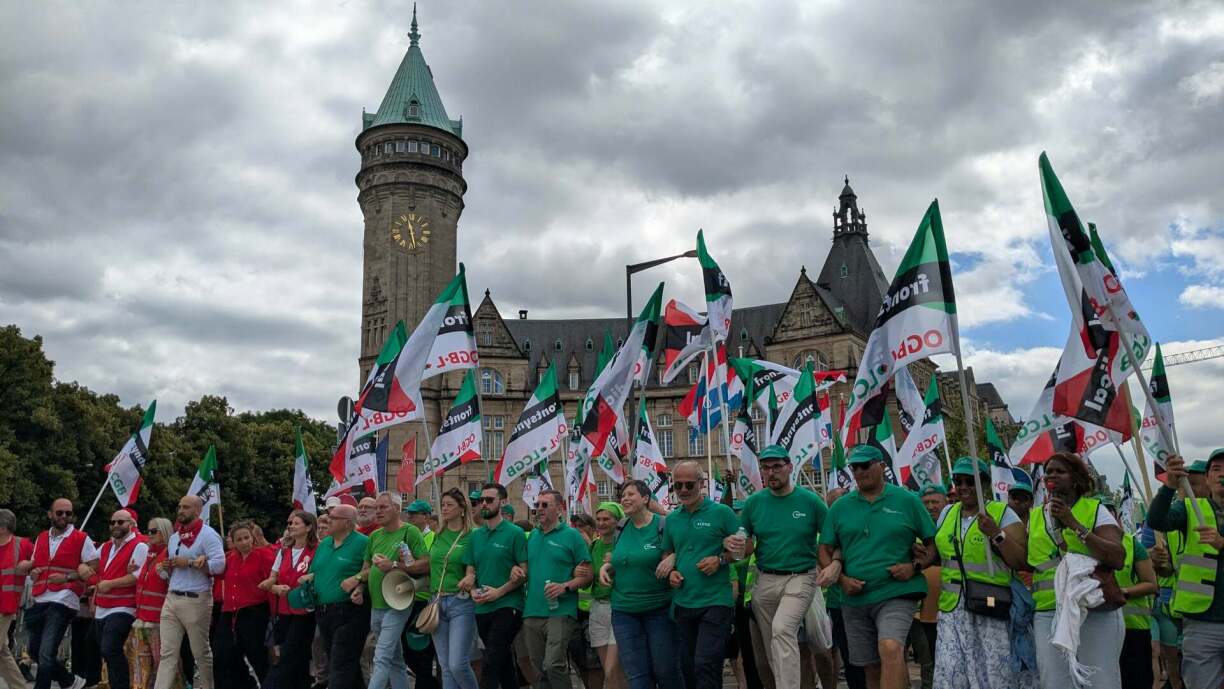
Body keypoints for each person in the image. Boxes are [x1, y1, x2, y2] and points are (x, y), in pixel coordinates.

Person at [817, 446, 936, 689]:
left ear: (882, 466)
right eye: (855, 467)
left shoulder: (907, 500)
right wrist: (842, 581)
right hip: (855, 599)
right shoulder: (841, 507)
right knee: (871, 666)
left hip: (897, 592)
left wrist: (914, 566)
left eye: (866, 465)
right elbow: (824, 550)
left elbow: (932, 546)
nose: (859, 471)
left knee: (890, 647)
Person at [930, 457, 1034, 689]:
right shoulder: (947, 513)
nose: (964, 486)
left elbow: (1022, 561)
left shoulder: (1002, 513)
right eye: (959, 481)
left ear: (985, 483)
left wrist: (996, 534)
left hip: (990, 608)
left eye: (970, 481)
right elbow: (939, 555)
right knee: (950, 677)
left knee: (992, 676)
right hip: (951, 611)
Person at [737, 445, 835, 689]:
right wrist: (734, 544)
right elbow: (745, 546)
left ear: (790, 467)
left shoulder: (810, 501)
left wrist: (835, 564)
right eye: (766, 468)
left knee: (809, 643)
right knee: (775, 647)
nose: (771, 472)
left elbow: (834, 537)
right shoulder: (753, 504)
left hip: (802, 577)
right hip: (766, 580)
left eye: (777, 467)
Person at [1026, 451, 1125, 689]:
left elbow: (1117, 557)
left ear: (1076, 479)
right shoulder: (1035, 517)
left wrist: (1073, 524)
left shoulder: (1095, 510)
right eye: (1048, 471)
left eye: (1060, 471)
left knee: (1100, 682)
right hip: (1049, 611)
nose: (1052, 475)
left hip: (1092, 610)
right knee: (1054, 683)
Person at [658, 460, 740, 689]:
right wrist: (671, 572)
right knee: (687, 665)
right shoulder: (673, 518)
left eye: (689, 485)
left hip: (715, 600)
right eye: (678, 486)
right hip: (684, 601)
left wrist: (721, 559)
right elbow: (668, 552)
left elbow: (746, 548)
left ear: (702, 484)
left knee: (706, 662)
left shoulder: (722, 513)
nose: (683, 490)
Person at [1148, 451, 1224, 689]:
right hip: (1203, 622)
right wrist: (1169, 487)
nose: (1222, 475)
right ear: (1208, 478)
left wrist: (1222, 544)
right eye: (1216, 469)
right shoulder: (1192, 509)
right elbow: (1158, 520)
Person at [600, 479, 682, 689]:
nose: (624, 499)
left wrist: (673, 558)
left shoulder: (664, 524)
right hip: (623, 611)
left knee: (665, 671)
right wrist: (607, 567)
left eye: (630, 494)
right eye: (623, 495)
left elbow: (687, 547)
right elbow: (622, 558)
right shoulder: (621, 526)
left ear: (645, 499)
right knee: (636, 675)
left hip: (659, 610)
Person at [22, 497, 100, 689]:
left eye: (68, 513)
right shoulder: (41, 537)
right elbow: (35, 564)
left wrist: (67, 578)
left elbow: (94, 568)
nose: (64, 516)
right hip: (40, 597)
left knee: (46, 652)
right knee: (34, 650)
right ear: (50, 514)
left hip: (64, 600)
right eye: (60, 512)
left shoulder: (82, 538)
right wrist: (33, 571)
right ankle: (70, 681)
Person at [357, 491, 429, 689]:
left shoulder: (410, 531)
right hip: (377, 605)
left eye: (382, 507)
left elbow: (425, 564)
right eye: (376, 508)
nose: (377, 512)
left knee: (381, 656)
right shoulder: (373, 536)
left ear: (397, 509)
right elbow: (366, 569)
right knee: (395, 659)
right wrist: (359, 584)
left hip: (399, 602)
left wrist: (395, 565)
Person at [152, 495, 225, 689]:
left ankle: (208, 686)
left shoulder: (209, 535)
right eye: (179, 506)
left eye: (186, 507)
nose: (180, 510)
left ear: (198, 511)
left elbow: (219, 565)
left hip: (196, 599)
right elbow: (170, 573)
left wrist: (190, 563)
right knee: (167, 653)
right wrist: (165, 568)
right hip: (172, 597)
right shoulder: (175, 537)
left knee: (200, 652)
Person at [522, 489, 593, 689]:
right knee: (539, 671)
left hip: (560, 611)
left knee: (553, 663)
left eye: (545, 505)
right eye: (537, 505)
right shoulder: (532, 536)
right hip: (532, 611)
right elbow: (525, 568)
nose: (539, 509)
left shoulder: (572, 536)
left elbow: (588, 576)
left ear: (560, 509)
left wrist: (565, 586)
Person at [461, 482, 528, 689]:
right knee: (503, 661)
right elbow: (470, 571)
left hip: (508, 605)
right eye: (481, 500)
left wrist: (499, 592)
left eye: (489, 500)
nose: (484, 504)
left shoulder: (515, 533)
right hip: (482, 606)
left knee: (490, 662)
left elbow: (524, 572)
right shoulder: (475, 536)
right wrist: (472, 590)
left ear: (503, 501)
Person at [299, 502, 370, 689]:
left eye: (333, 517)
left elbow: (371, 568)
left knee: (340, 660)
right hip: (323, 610)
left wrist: (357, 580)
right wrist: (307, 578)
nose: (328, 520)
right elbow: (316, 571)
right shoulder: (324, 545)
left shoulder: (363, 542)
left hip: (348, 611)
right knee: (339, 659)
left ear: (347, 522)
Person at [1101, 496, 1157, 689]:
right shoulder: (1081, 544)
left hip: (1133, 629)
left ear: (1117, 516)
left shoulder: (1133, 545)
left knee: (1136, 681)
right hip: (1098, 628)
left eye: (1109, 512)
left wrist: (1122, 592)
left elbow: (1151, 584)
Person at [91, 508, 149, 689]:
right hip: (102, 606)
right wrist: (84, 570)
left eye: (121, 522)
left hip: (124, 606)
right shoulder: (106, 546)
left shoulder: (139, 545)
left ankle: (122, 686)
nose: (116, 525)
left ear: (131, 525)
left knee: (110, 648)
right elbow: (93, 568)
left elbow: (137, 576)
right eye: (113, 522)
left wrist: (110, 584)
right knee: (102, 650)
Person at [213, 520, 274, 689]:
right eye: (239, 539)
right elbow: (215, 570)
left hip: (254, 611)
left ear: (252, 538)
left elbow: (273, 581)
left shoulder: (264, 555)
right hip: (230, 612)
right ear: (233, 542)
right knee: (223, 654)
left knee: (257, 657)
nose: (244, 542)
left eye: (246, 538)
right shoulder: (231, 558)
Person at [261, 510, 318, 689]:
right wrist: (275, 587)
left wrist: (309, 578)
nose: (291, 526)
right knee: (297, 658)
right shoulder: (284, 551)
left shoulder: (318, 548)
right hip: (285, 610)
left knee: (288, 653)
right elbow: (272, 578)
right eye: (291, 523)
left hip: (306, 611)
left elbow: (322, 572)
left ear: (308, 527)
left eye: (296, 523)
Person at [821, 487, 867, 689]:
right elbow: (824, 553)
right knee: (850, 657)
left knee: (873, 657)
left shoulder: (860, 522)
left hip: (868, 598)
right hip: (838, 603)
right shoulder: (827, 531)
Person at [432, 488, 476, 689]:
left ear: (462, 509)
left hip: (461, 602)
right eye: (442, 505)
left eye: (449, 505)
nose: (444, 509)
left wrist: (471, 576)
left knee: (457, 664)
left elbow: (475, 567)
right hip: (436, 602)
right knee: (445, 667)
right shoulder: (438, 535)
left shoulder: (472, 536)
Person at [908, 484, 947, 689]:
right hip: (921, 613)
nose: (931, 507)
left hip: (951, 607)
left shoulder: (953, 525)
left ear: (946, 503)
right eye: (926, 503)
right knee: (928, 662)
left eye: (935, 502)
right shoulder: (912, 530)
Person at [128, 518, 172, 689]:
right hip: (141, 619)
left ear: (165, 532)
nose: (150, 535)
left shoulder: (169, 554)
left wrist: (167, 574)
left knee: (161, 663)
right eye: (149, 531)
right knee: (140, 663)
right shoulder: (150, 555)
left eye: (155, 531)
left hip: (159, 621)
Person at [588, 502, 626, 689]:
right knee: (611, 672)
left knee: (612, 669)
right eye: (599, 519)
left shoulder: (624, 544)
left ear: (617, 521)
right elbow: (588, 577)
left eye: (606, 519)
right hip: (597, 609)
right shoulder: (594, 545)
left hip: (618, 608)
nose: (601, 523)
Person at [0, 508, 33, 689]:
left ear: (3, 528)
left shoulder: (22, 545)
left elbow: (42, 559)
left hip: (5, 608)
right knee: (2, 652)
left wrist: (31, 566)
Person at [310, 511, 333, 689]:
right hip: (317, 602)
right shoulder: (319, 547)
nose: (322, 530)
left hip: (335, 603)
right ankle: (321, 677)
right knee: (317, 642)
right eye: (320, 527)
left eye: (326, 526)